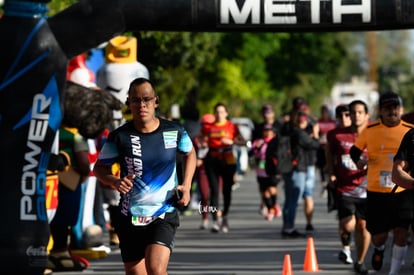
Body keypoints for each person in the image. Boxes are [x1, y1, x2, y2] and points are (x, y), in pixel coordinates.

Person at [93, 77, 197, 275]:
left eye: (147, 99)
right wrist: (114, 181)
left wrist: (186, 184)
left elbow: (189, 153)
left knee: (156, 270)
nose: (142, 105)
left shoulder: (174, 131)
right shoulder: (119, 136)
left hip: (163, 212)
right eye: (136, 100)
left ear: (155, 101)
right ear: (128, 103)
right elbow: (99, 168)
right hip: (129, 216)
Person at [350, 91, 414, 274]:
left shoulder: (410, 131)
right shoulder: (370, 130)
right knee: (379, 236)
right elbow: (355, 151)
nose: (392, 111)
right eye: (387, 108)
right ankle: (379, 249)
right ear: (381, 111)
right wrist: (360, 161)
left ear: (401, 109)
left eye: (395, 107)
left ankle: (393, 272)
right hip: (377, 191)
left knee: (401, 232)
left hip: (403, 190)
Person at [326, 101, 370, 274]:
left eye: (360, 112)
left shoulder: (374, 134)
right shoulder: (337, 135)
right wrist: (330, 171)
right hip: (345, 187)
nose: (356, 115)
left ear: (367, 115)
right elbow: (328, 152)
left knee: (363, 226)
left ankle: (360, 261)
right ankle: (346, 247)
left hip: (368, 188)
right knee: (348, 225)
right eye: (353, 112)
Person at [47, 125, 91, 272]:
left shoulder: (45, 130)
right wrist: (83, 174)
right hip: (68, 183)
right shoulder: (74, 135)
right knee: (65, 219)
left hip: (44, 182)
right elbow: (84, 163)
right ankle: (59, 252)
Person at [202, 103, 245, 233]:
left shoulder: (232, 126)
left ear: (226, 113)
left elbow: (243, 141)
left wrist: (232, 142)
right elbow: (200, 139)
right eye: (217, 112)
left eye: (221, 112)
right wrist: (203, 143)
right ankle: (215, 220)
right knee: (214, 191)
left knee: (227, 190)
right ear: (214, 114)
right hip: (212, 158)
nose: (219, 114)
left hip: (228, 159)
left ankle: (225, 216)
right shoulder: (208, 127)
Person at [281, 109, 320, 237]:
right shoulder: (299, 133)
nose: (305, 122)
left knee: (288, 199)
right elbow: (314, 144)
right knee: (294, 199)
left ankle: (286, 226)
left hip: (286, 168)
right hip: (297, 168)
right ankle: (289, 228)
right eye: (303, 120)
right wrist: (315, 134)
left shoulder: (286, 129)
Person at [251, 124, 282, 221]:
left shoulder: (277, 141)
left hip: (273, 169)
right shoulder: (259, 141)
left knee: (272, 189)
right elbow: (251, 153)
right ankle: (270, 209)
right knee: (265, 192)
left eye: (269, 130)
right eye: (266, 130)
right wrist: (257, 147)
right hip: (261, 170)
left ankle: (273, 205)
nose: (267, 132)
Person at [316, 105, 337, 196]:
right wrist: (318, 139)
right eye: (323, 112)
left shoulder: (333, 122)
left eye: (326, 112)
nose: (325, 114)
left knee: (329, 165)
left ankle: (330, 184)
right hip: (321, 147)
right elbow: (315, 132)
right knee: (322, 167)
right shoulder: (318, 122)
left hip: (331, 147)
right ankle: (324, 184)